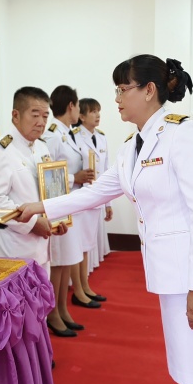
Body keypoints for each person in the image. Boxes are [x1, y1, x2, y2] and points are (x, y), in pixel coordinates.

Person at [17, 55, 193, 384]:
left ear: (149, 90)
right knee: (185, 371)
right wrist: (40, 206)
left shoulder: (183, 135)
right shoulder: (133, 146)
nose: (117, 98)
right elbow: (96, 192)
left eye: (123, 89)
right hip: (171, 276)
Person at [0, 87, 68, 346]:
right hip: (14, 247)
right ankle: (19, 360)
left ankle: (36, 356)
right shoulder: (0, 151)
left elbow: (49, 191)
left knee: (37, 306)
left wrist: (57, 219)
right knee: (15, 311)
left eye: (45, 115)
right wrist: (32, 223)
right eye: (34, 114)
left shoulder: (41, 148)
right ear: (15, 115)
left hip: (41, 245)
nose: (41, 122)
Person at [42, 85, 97, 338]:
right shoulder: (54, 135)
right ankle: (53, 313)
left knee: (67, 260)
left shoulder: (67, 133)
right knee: (59, 262)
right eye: (77, 106)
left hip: (70, 203)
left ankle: (63, 309)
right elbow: (46, 174)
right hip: (59, 204)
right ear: (71, 106)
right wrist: (76, 177)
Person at [72, 98, 113, 300]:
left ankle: (85, 286)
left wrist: (108, 203)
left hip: (96, 198)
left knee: (87, 245)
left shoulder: (101, 138)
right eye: (93, 112)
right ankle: (78, 290)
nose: (97, 115)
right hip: (80, 197)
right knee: (78, 246)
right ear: (81, 116)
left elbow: (106, 171)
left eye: (98, 111)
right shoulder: (73, 137)